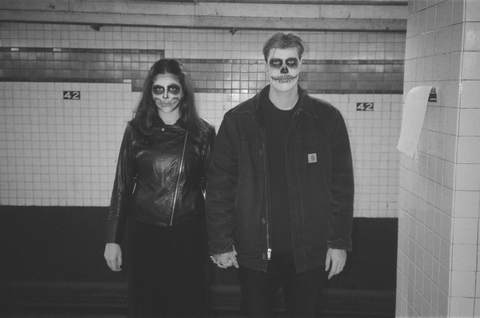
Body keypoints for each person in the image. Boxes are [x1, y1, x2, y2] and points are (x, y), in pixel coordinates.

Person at [205, 32, 354, 317]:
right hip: (254, 253)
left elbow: (342, 186)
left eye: (291, 62)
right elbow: (220, 186)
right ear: (266, 67)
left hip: (309, 252)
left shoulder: (326, 120)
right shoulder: (238, 121)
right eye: (276, 63)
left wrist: (338, 243)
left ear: (301, 65)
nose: (284, 71)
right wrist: (220, 242)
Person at [104, 58, 215, 317]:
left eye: (173, 89)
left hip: (189, 234)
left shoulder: (203, 132)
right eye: (158, 89)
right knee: (147, 305)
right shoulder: (136, 131)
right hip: (145, 235)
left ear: (184, 91)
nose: (165, 96)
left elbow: (214, 188)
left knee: (189, 305)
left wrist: (222, 238)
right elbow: (121, 185)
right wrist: (112, 239)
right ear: (150, 92)